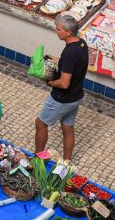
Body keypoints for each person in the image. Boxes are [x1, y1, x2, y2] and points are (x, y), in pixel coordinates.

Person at [34, 15, 88, 163]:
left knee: (40, 123)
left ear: (68, 32)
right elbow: (73, 63)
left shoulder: (69, 52)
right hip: (76, 96)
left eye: (59, 29)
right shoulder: (81, 44)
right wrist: (55, 59)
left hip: (62, 98)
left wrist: (48, 82)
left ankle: (37, 158)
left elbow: (64, 83)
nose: (56, 31)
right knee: (67, 127)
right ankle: (66, 162)